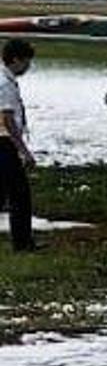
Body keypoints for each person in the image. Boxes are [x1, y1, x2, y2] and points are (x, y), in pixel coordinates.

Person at [0, 38, 37, 252]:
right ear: (16, 60)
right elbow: (7, 119)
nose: (28, 67)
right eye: (26, 62)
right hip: (4, 143)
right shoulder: (5, 84)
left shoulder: (4, 78)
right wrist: (23, 150)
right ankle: (22, 243)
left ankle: (22, 242)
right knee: (20, 195)